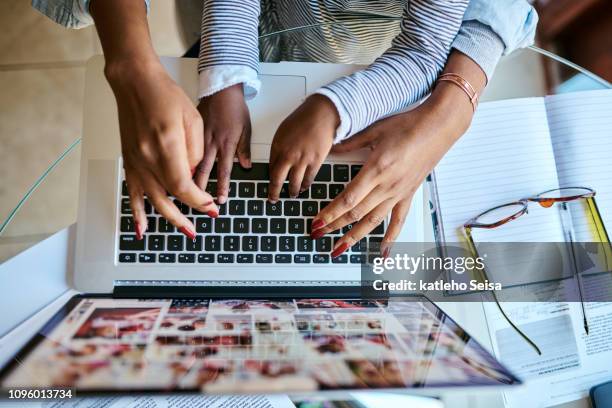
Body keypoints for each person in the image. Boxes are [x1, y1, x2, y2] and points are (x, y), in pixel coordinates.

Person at [33, 0, 537, 257]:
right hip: (235, 32)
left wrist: (333, 107)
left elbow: (423, 50)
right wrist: (225, 77)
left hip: (353, 62)